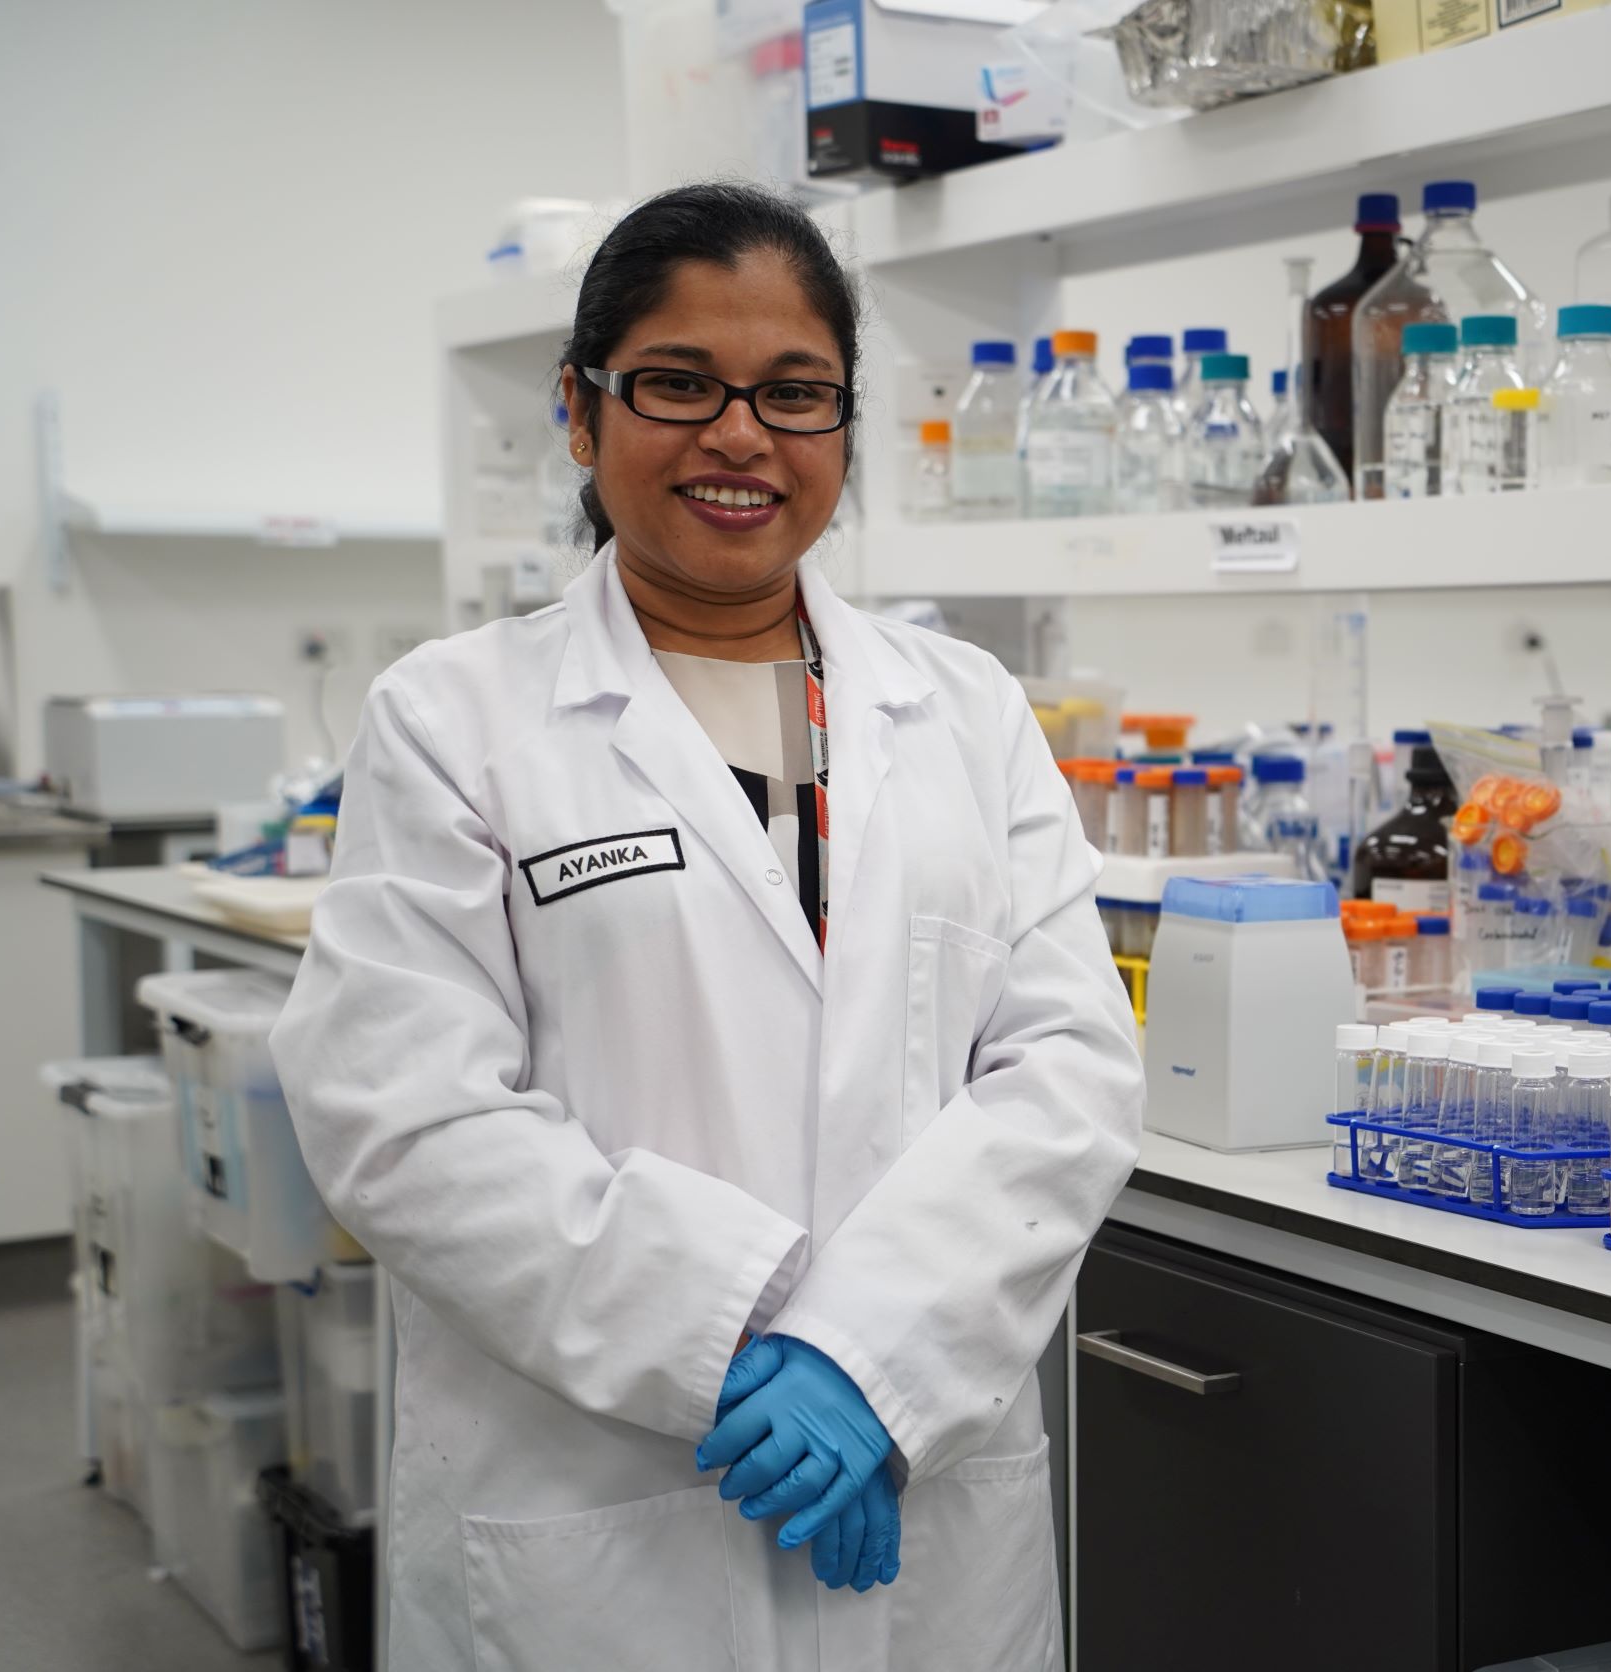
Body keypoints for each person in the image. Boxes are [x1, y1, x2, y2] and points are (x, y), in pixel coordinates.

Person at [272, 182, 1143, 1671]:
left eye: (796, 395)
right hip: (596, 1497)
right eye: (679, 383)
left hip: (918, 1471)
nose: (740, 436)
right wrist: (736, 1340)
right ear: (579, 407)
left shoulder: (968, 710)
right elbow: (400, 1114)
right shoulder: (458, 717)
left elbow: (1067, 1072)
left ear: (845, 431)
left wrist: (874, 1364)